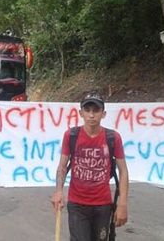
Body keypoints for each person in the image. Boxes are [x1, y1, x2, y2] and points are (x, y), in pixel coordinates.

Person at [50, 92, 129, 241]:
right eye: (87, 110)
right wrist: (59, 191)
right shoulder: (71, 135)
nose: (91, 115)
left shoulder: (113, 138)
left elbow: (123, 171)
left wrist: (122, 204)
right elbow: (62, 167)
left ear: (103, 114)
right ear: (81, 113)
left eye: (96, 110)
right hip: (77, 205)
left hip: (103, 206)